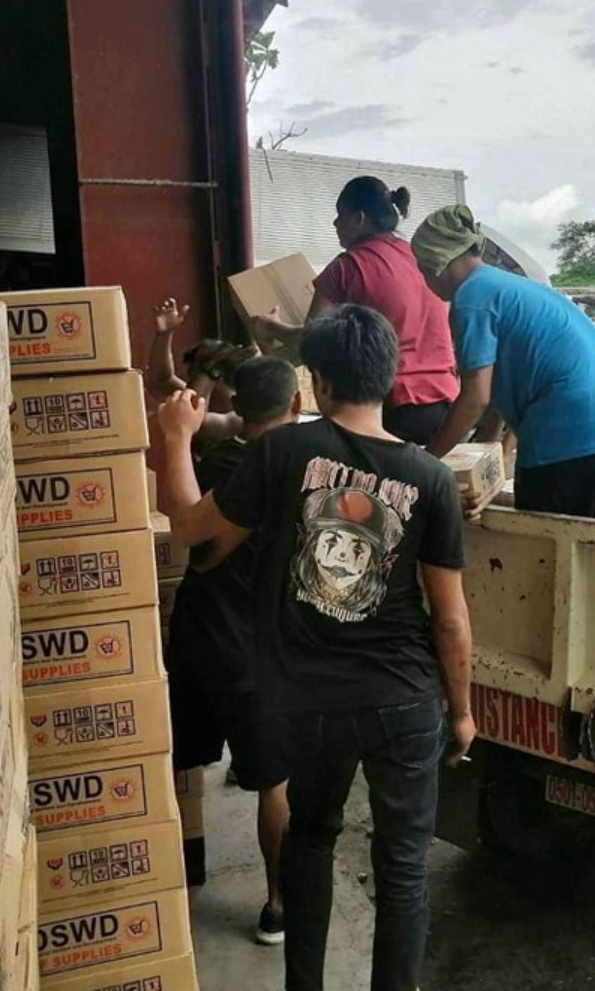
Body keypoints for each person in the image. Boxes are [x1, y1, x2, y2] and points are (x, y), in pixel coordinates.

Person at [158, 304, 477, 991]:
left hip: (307, 701)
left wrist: (177, 437)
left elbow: (194, 535)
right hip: (403, 697)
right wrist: (461, 710)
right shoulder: (431, 480)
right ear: (389, 379)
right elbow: (449, 619)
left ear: (319, 384)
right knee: (403, 869)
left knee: (311, 840)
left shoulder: (282, 452)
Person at [410, 205, 595, 525]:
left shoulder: (471, 297)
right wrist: (496, 454)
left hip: (568, 438)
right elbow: (516, 386)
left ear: (434, 264)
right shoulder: (518, 287)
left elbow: (475, 398)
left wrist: (423, 465)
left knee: (546, 549)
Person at [165, 356, 300, 946]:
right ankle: (278, 905)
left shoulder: (221, 462)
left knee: (171, 767)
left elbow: (189, 530)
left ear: (238, 407)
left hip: (199, 640)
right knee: (277, 783)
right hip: (260, 652)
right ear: (297, 405)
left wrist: (180, 435)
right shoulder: (307, 471)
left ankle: (156, 884)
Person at [252, 177, 459, 445]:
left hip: (392, 409)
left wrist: (270, 327)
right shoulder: (416, 256)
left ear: (359, 218)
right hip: (447, 406)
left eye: (340, 216)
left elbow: (311, 341)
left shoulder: (346, 267)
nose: (335, 224)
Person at [148, 296, 257, 451]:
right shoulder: (199, 388)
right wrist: (165, 335)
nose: (193, 375)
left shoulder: (236, 408)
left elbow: (196, 423)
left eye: (201, 367)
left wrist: (211, 371)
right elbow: (161, 381)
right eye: (195, 369)